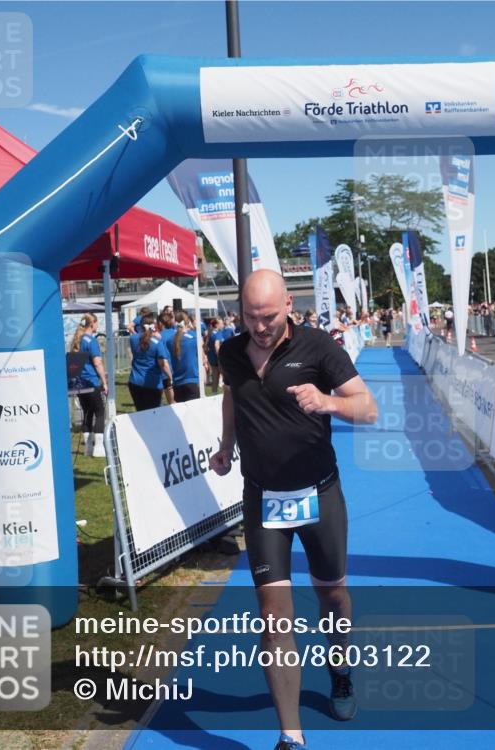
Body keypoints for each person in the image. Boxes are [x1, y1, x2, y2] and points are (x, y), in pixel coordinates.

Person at [211, 270, 378, 750]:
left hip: (319, 494)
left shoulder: (319, 347)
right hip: (262, 497)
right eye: (250, 317)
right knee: (273, 615)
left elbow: (368, 408)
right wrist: (226, 446)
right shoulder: (229, 352)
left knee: (333, 596)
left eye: (268, 316)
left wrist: (326, 401)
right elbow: (231, 397)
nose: (260, 327)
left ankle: (340, 667)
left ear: (288, 304)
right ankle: (291, 736)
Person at [69, 313, 108, 458]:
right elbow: (97, 363)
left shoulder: (77, 339)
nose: (97, 326)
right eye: (97, 323)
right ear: (92, 324)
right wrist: (104, 381)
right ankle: (98, 448)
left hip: (80, 382)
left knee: (87, 413)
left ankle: (88, 448)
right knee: (99, 412)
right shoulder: (91, 341)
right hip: (91, 381)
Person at [127, 313, 175, 410]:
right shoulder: (157, 342)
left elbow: (140, 340)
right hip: (152, 383)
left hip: (135, 382)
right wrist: (170, 377)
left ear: (140, 326)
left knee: (140, 411)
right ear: (154, 326)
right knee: (153, 412)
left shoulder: (133, 339)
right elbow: (163, 364)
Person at [169, 311, 205, 402]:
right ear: (187, 322)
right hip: (192, 380)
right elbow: (203, 358)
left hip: (177, 383)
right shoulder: (194, 339)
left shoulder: (170, 340)